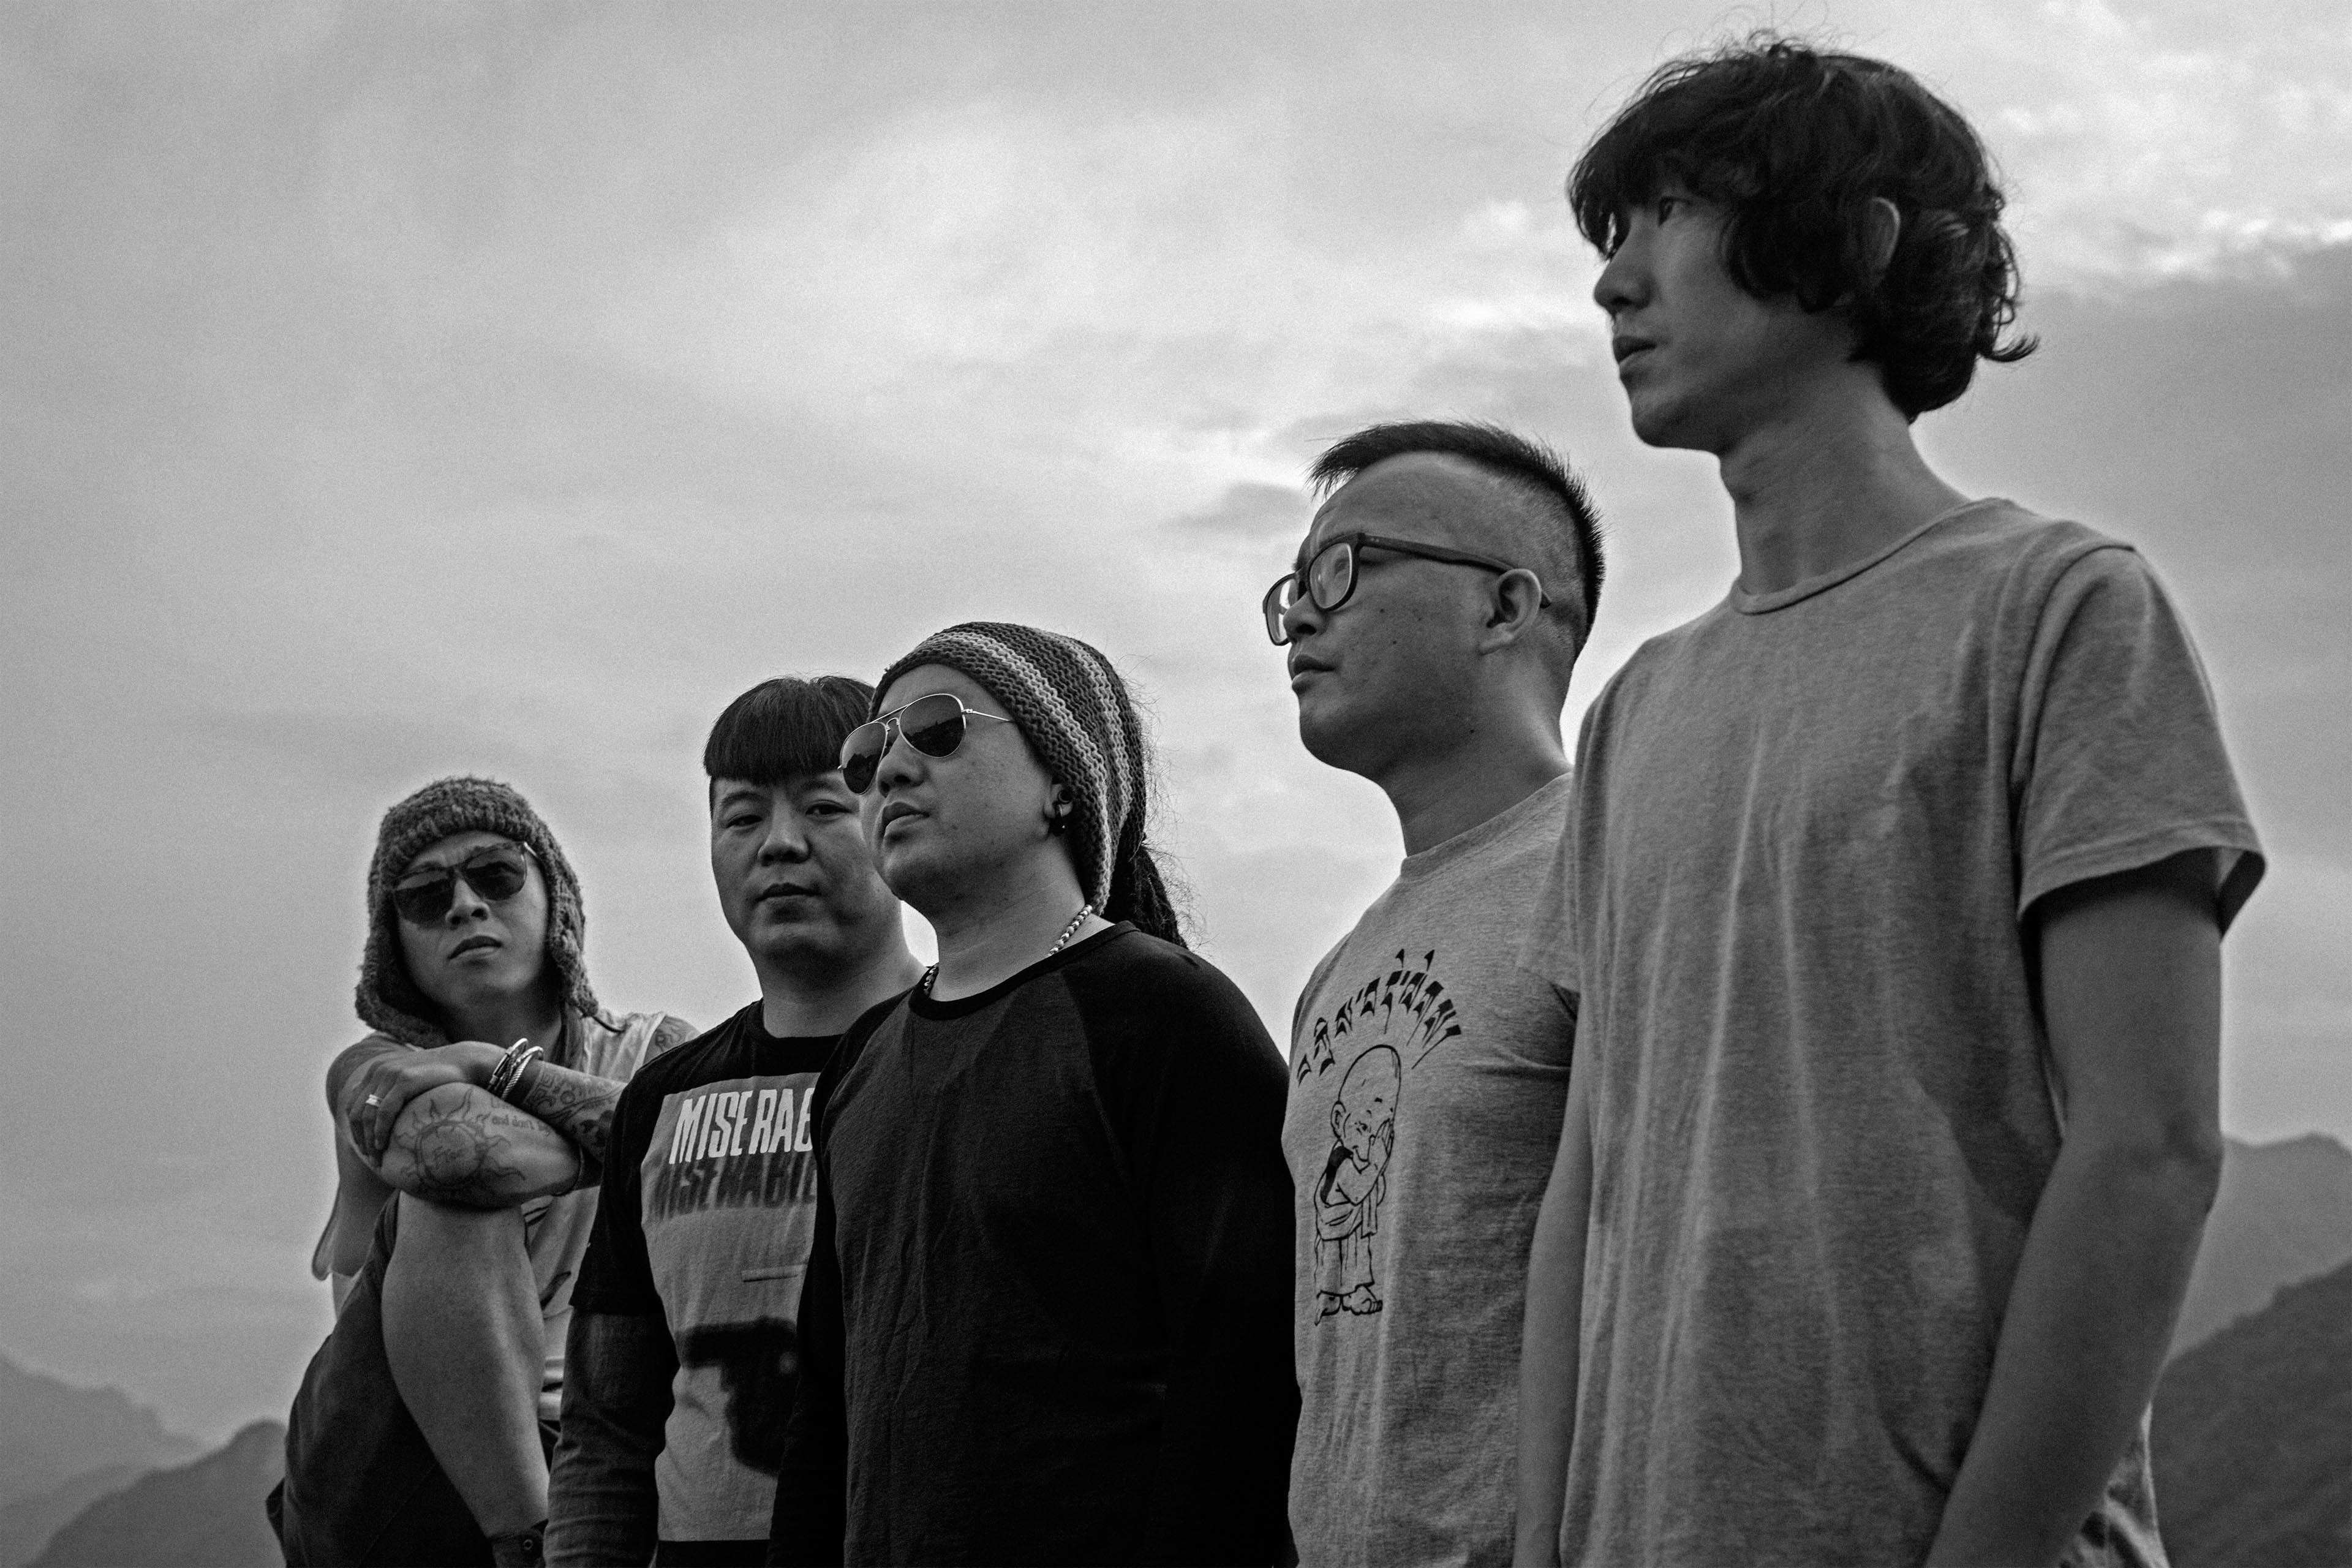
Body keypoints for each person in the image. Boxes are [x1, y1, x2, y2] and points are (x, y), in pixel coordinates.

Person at [1514, 38, 2266, 1568]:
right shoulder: (1637, 708)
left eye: (1670, 213)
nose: (1613, 281)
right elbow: (1588, 1180)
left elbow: (2151, 1145)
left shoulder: (2059, 609)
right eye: (1612, 234)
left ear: (1852, 243)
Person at [767, 622, 1297, 1566]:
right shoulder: (860, 1064)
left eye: (937, 727)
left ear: (1065, 781)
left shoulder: (1169, 1018)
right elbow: (826, 1408)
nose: (891, 770)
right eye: (867, 752)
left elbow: (1243, 1389)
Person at [1266, 421, 1602, 1566]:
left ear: (1504, 607)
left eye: (1342, 569)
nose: (1301, 618)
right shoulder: (1337, 973)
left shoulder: (1617, 873)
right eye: (1292, 590)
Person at [271, 776, 696, 1567]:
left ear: (553, 896)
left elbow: (720, 1156)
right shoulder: (375, 1073)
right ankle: (535, 1544)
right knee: (448, 1183)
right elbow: (453, 1151)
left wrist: (495, 1069)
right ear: (395, 944)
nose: (466, 906)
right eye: (425, 897)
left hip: (596, 1437)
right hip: (390, 1455)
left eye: (497, 874)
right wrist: (642, 1145)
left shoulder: (657, 1052)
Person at [546, 677, 924, 1567]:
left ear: (889, 817)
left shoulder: (972, 1058)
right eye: (742, 817)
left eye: (824, 807)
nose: (780, 844)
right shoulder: (662, 1103)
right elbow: (608, 1429)